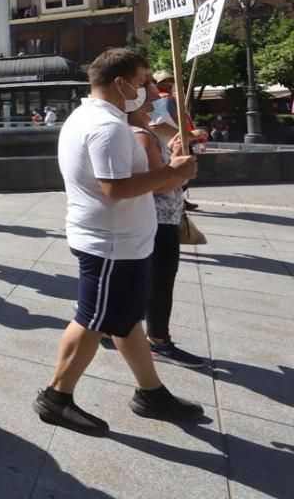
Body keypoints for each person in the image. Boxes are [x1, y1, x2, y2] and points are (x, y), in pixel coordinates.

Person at [34, 48, 202, 436]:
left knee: (125, 322)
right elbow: (114, 188)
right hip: (111, 245)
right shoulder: (108, 127)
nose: (147, 90)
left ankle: (151, 392)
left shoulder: (91, 117)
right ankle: (56, 398)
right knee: (92, 320)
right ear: (120, 83)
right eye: (142, 82)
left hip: (120, 241)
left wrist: (170, 168)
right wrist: (171, 173)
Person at [128, 77, 206, 369]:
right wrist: (179, 168)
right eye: (150, 97)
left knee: (149, 279)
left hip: (162, 217)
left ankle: (112, 327)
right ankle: (158, 341)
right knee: (160, 280)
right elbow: (158, 183)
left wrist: (175, 155)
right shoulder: (141, 134)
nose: (156, 101)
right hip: (157, 219)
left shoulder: (144, 130)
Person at [149, 71, 206, 211]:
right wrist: (189, 135)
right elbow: (156, 126)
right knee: (180, 173)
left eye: (171, 80)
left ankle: (179, 199)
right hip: (172, 144)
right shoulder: (163, 100)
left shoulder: (168, 98)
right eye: (165, 81)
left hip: (174, 142)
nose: (169, 83)